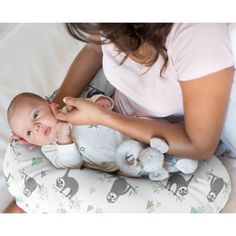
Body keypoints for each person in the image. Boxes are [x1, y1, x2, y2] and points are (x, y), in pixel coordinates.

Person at [52, 23, 234, 161]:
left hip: (163, 145)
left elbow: (200, 146)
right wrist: (56, 105)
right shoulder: (106, 23)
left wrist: (103, 118)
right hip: (110, 117)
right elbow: (94, 51)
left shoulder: (199, 37)